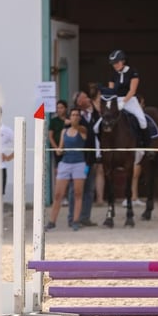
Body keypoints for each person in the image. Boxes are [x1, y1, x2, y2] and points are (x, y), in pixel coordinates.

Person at [46, 108, 88, 231]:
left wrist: (72, 123)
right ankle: (52, 221)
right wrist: (57, 149)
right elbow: (60, 149)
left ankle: (75, 221)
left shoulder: (82, 130)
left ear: (79, 118)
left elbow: (80, 130)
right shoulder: (64, 131)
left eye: (76, 115)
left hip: (79, 163)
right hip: (65, 162)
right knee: (58, 194)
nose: (75, 117)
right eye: (73, 115)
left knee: (78, 193)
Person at [107, 49, 153, 156]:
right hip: (116, 100)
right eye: (113, 64)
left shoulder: (133, 72)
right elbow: (111, 90)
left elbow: (132, 90)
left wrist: (123, 102)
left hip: (130, 100)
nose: (115, 65)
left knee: (142, 120)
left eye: (117, 62)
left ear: (123, 61)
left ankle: (146, 146)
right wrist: (113, 102)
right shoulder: (113, 75)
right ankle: (100, 150)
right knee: (101, 122)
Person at [68, 90, 100, 227]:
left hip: (90, 158)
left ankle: (85, 217)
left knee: (89, 189)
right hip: (78, 159)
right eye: (85, 98)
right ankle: (72, 218)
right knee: (74, 189)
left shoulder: (94, 114)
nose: (88, 99)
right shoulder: (75, 116)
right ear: (79, 101)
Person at [48, 99, 69, 202]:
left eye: (61, 107)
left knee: (68, 172)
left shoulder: (70, 119)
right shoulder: (54, 121)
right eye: (57, 108)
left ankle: (66, 195)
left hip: (69, 149)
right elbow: (50, 136)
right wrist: (56, 148)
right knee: (58, 172)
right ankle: (59, 196)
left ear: (66, 108)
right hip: (58, 150)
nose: (59, 110)